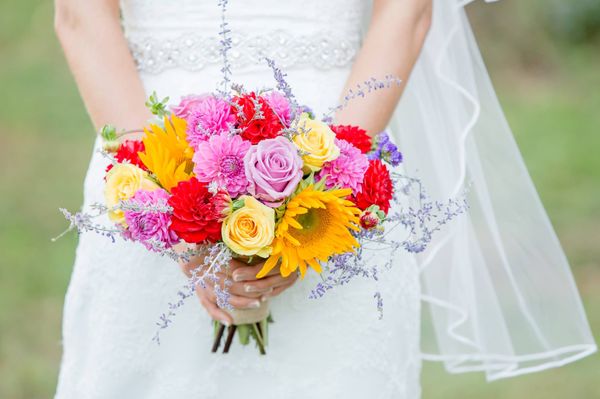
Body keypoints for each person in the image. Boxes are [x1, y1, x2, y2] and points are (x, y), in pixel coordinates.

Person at [53, 0, 596, 398]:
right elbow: (80, 15)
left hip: (336, 148)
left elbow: (406, 12)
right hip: (149, 153)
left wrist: (327, 190)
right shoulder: (155, 188)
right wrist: (166, 206)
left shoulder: (333, 177)